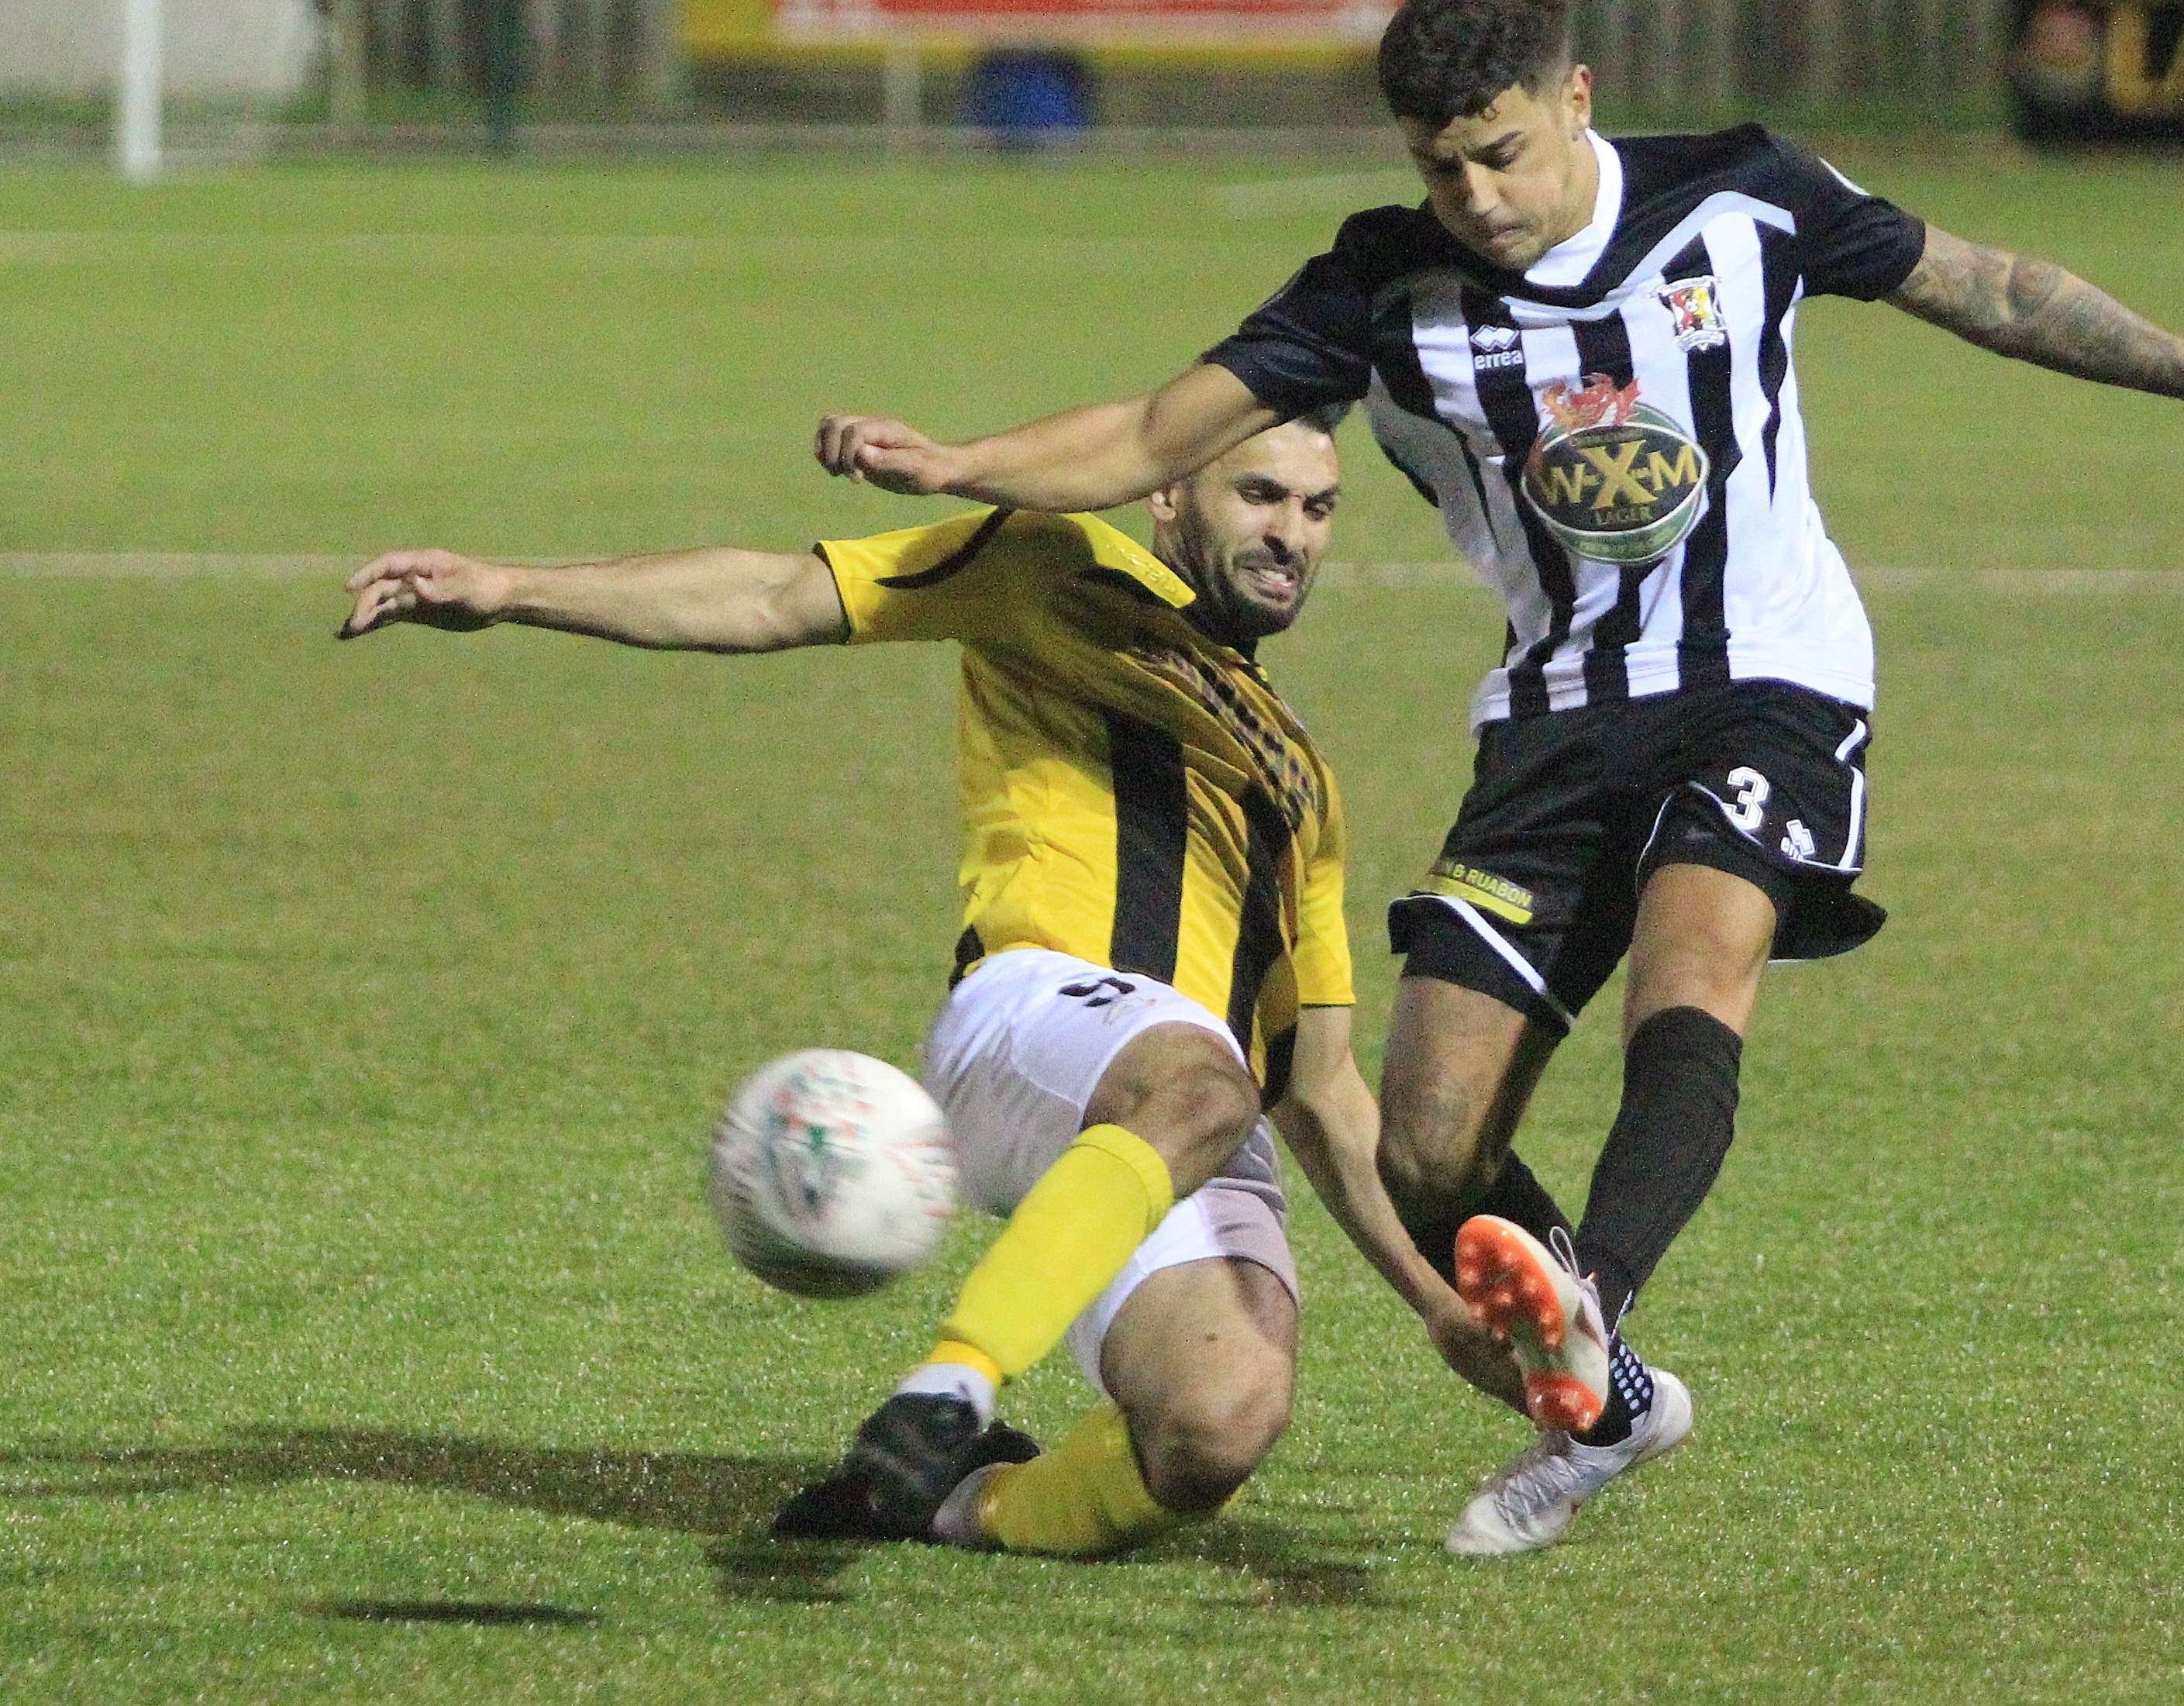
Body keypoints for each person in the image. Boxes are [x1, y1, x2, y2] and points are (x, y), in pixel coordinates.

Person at [802, 0, 2184, 1556]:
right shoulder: (1378, 281)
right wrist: (964, 462)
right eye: (1441, 167)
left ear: (1576, 94)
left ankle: (1589, 1322)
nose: (1476, 197)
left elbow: (1992, 286)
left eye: (1500, 150)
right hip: (1554, 716)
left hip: (1768, 678)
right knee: (1427, 1135)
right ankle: (1618, 1396)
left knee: (1692, 967)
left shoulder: (1740, 194)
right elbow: (1160, 431)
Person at [338, 412, 1497, 1558]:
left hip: (1183, 1113)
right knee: (1202, 1082)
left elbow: (1322, 1084)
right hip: (1040, 1013)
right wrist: (504, 587)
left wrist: (1437, 1303)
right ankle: (955, 1383)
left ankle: (950, 1496)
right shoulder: (1056, 566)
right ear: (1166, 496)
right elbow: (771, 596)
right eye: (1258, 494)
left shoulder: (1303, 779)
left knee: (1217, 1424)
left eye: (1317, 507)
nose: (1290, 531)